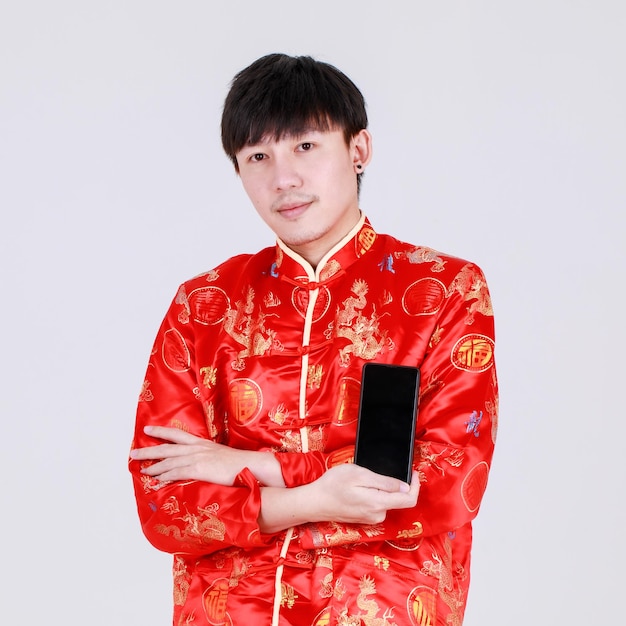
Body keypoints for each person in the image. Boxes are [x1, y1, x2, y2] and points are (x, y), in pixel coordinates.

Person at [129, 53, 498, 626]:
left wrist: (244, 465)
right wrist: (317, 496)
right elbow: (165, 508)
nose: (284, 179)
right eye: (258, 157)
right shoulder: (204, 307)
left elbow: (446, 484)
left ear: (358, 150)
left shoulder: (443, 290)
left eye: (305, 146)